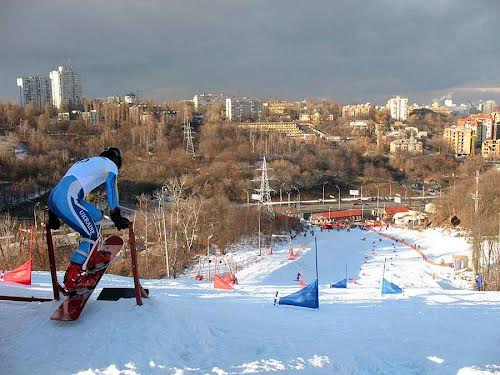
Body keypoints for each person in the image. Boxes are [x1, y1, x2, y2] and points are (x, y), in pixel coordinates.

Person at [47, 147, 130, 290]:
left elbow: (61, 186)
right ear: (117, 160)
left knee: (97, 215)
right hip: (68, 199)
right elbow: (111, 186)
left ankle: (91, 257)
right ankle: (73, 276)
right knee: (91, 235)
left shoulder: (85, 163)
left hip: (55, 198)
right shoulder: (110, 164)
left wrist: (52, 212)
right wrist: (115, 214)